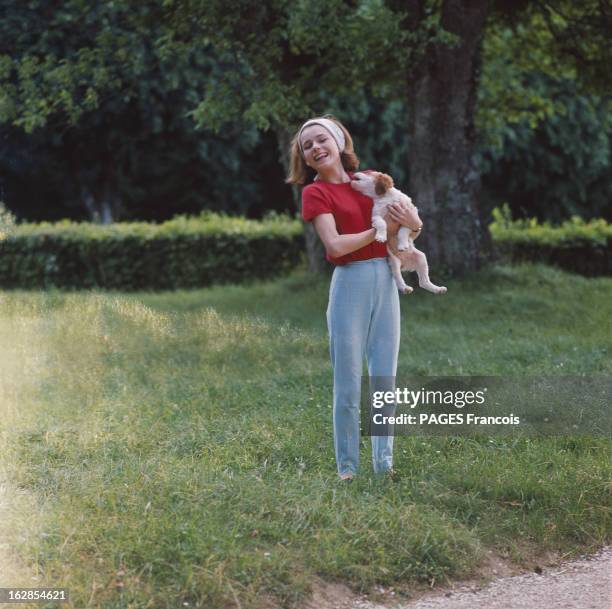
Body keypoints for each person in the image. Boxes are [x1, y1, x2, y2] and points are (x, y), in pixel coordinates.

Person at [286, 115, 415, 482]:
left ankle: (384, 465)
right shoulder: (315, 193)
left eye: (321, 139)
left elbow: (404, 230)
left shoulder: (371, 181)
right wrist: (376, 232)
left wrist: (411, 223)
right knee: (347, 383)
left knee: (384, 379)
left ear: (340, 143)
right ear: (304, 157)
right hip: (349, 284)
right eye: (306, 145)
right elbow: (335, 245)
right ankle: (347, 469)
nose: (315, 148)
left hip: (386, 281)